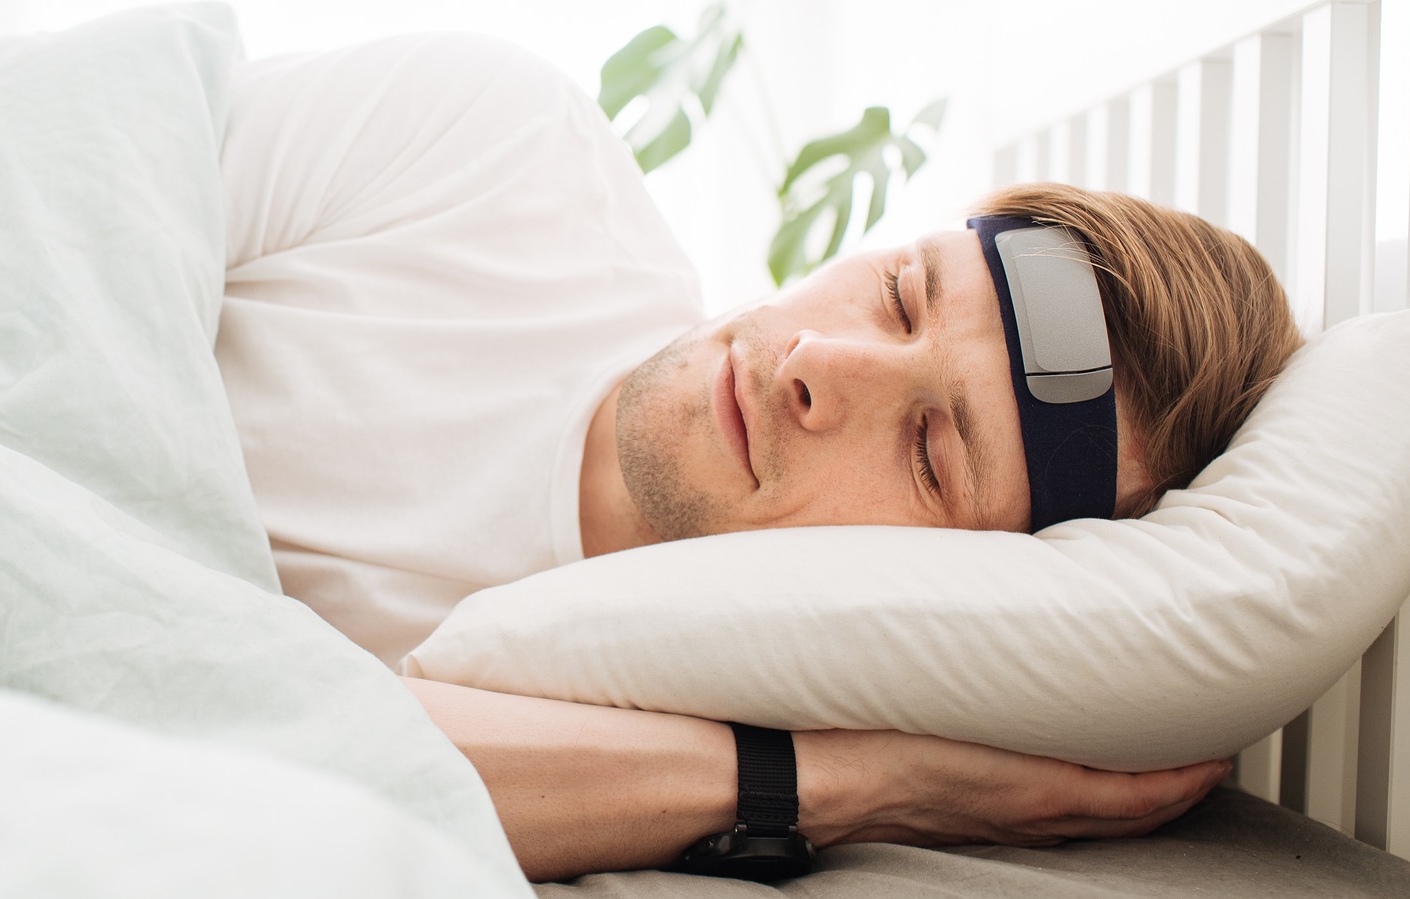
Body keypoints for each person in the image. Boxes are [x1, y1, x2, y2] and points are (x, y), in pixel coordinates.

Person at [213, 33, 1302, 882]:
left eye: (929, 453)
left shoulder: (641, 718)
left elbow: (240, 761)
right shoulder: (493, 147)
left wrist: (847, 781)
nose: (823, 362)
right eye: (898, 295)